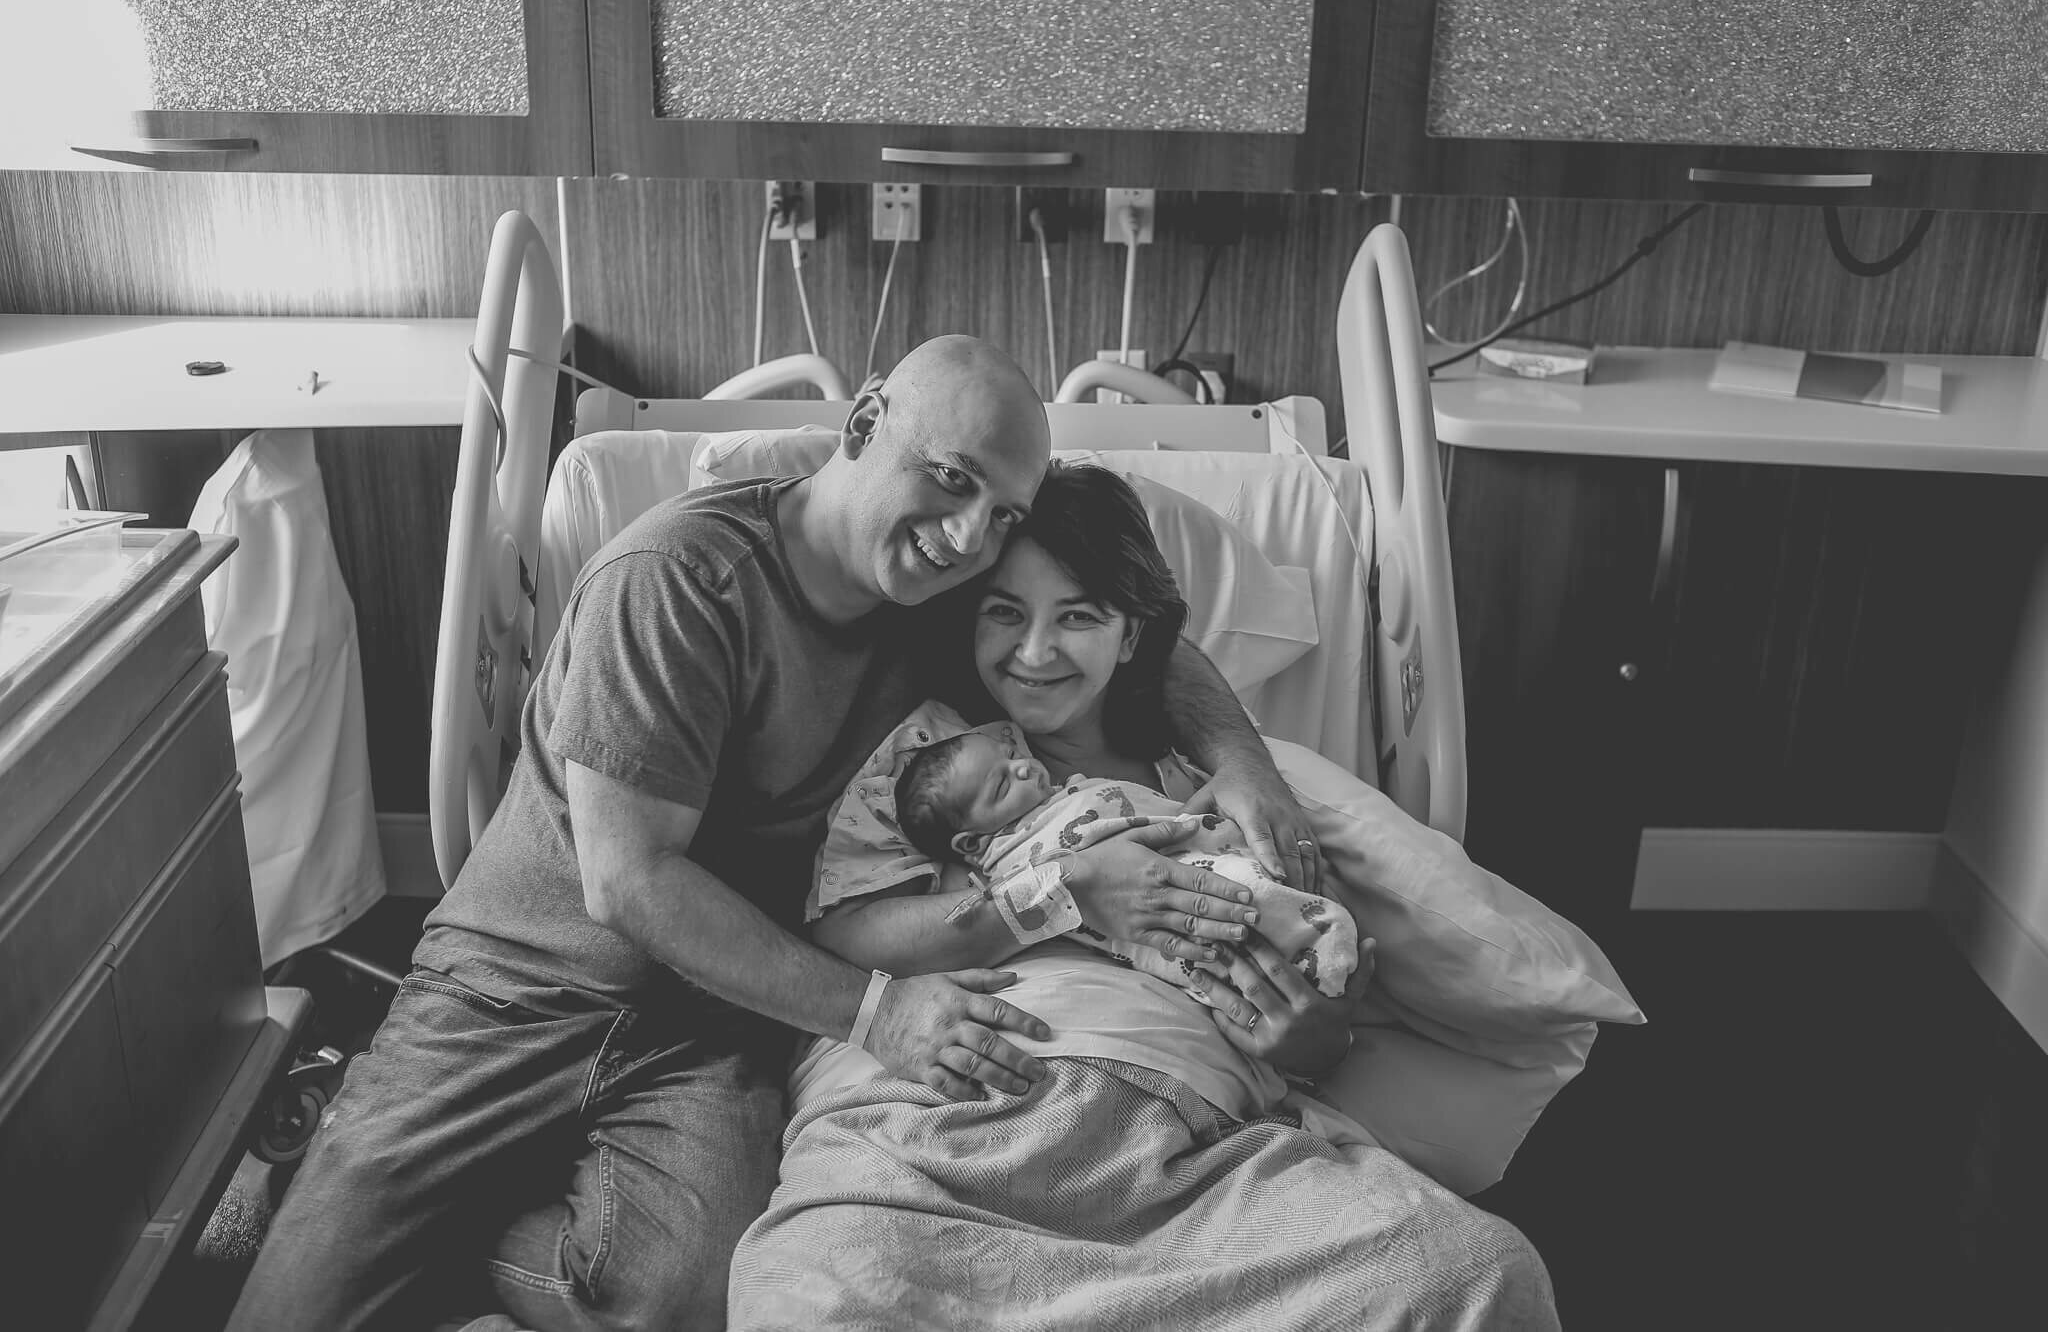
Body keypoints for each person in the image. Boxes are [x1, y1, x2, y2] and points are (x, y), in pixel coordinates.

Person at [227, 338, 1319, 1332]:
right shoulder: (675, 585)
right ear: (860, 428)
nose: (963, 535)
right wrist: (875, 1015)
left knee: (685, 1301)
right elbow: (630, 883)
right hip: (517, 987)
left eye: (997, 515)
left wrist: (1242, 764)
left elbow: (1137, 629)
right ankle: (352, 1172)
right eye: (947, 480)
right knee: (292, 1313)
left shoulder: (942, 585)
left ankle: (449, 1230)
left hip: (717, 1006)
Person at [727, 462, 1559, 1330]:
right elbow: (845, 931)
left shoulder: (1217, 791)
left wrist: (1319, 1038)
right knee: (815, 1294)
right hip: (932, 1137)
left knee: (1474, 1272)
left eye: (1078, 616)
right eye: (1004, 612)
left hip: (1188, 1161)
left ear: (1131, 639)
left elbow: (1315, 967)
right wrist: (1062, 893)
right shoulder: (930, 763)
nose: (1035, 651)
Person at [890, 727, 1363, 997]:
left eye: (1011, 755)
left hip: (1190, 847)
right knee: (1235, 905)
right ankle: (1321, 955)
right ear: (972, 844)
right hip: (1153, 898)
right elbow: (1020, 898)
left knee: (1258, 874)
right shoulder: (1011, 861)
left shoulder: (1064, 792)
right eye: (1000, 786)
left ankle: (1323, 947)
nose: (1021, 768)